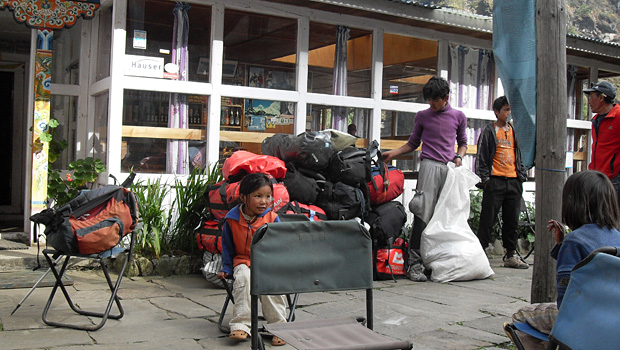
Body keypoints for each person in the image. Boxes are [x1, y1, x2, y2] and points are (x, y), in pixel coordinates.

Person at [506, 170, 620, 349]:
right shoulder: (617, 239)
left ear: (573, 204)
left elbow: (566, 301)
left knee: (521, 315)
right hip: (612, 317)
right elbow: (591, 266)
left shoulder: (575, 241)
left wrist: (567, 243)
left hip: (581, 317)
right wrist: (562, 244)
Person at [382, 76, 467, 282]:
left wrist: (459, 156)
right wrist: (393, 153)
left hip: (448, 169)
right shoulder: (422, 116)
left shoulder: (458, 116)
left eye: (435, 100)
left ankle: (438, 261)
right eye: (428, 100)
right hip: (428, 166)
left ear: (446, 97)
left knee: (445, 217)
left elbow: (463, 142)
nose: (431, 104)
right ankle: (415, 263)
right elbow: (412, 143)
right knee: (422, 213)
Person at [216, 173, 287, 346]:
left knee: (271, 282)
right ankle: (241, 324)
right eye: (257, 196)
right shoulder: (231, 219)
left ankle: (279, 327)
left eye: (268, 196)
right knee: (244, 278)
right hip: (242, 260)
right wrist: (226, 268)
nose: (264, 201)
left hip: (267, 262)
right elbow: (227, 247)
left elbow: (280, 246)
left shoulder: (272, 218)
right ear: (243, 197)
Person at [475, 96, 529, 269]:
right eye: (505, 110)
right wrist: (486, 180)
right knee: (487, 219)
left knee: (512, 220)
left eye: (509, 109)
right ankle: (479, 253)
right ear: (497, 112)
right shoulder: (489, 131)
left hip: (513, 180)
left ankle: (511, 255)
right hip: (495, 180)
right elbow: (482, 157)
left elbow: (520, 154)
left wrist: (521, 175)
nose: (508, 113)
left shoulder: (514, 130)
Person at [583, 80, 620, 206]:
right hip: (597, 178)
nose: (588, 102)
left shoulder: (619, 116)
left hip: (614, 179)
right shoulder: (596, 120)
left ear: (602, 98)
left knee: (613, 219)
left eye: (591, 97)